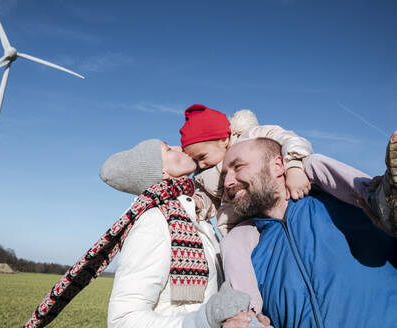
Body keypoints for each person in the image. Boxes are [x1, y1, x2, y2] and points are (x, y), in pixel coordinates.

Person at [179, 104, 396, 313]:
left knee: (314, 163)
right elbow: (206, 199)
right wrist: (195, 205)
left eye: (202, 157)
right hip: (246, 219)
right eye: (195, 161)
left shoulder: (254, 137)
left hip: (296, 177)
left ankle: (375, 197)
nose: (201, 165)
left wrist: (293, 166)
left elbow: (291, 140)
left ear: (223, 139)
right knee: (232, 244)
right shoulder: (204, 177)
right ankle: (247, 311)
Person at [220, 137, 397, 328]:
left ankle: (381, 197)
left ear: (278, 165)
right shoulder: (246, 246)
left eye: (238, 167)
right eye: (224, 176)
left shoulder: (337, 198)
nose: (228, 182)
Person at [99, 139, 272, 328]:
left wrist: (244, 318)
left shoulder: (195, 217)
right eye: (167, 149)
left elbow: (212, 298)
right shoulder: (154, 222)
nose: (178, 147)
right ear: (162, 172)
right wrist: (204, 322)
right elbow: (123, 320)